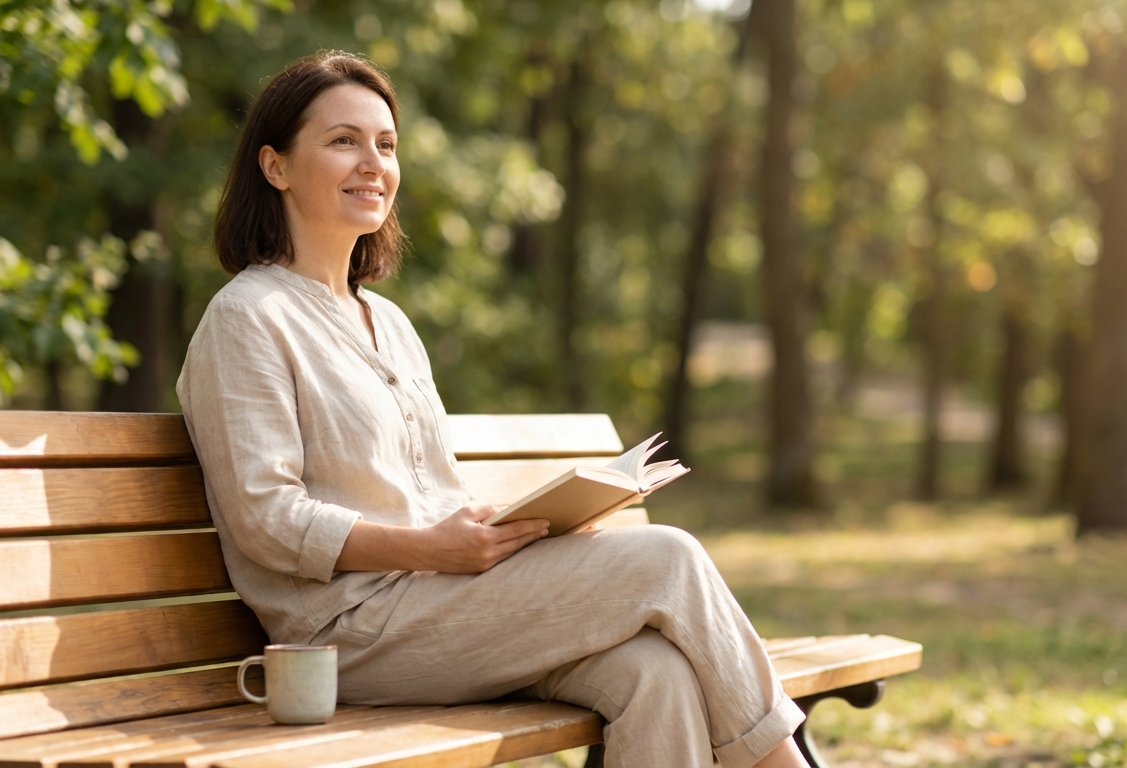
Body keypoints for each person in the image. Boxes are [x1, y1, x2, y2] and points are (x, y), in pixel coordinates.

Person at [177, 50, 810, 768]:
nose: (373, 163)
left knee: (653, 675)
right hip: (347, 635)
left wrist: (512, 527)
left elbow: (429, 491)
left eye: (386, 145)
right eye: (343, 141)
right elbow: (266, 517)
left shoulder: (389, 323)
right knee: (668, 556)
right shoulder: (247, 318)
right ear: (276, 166)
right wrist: (425, 549)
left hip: (448, 604)